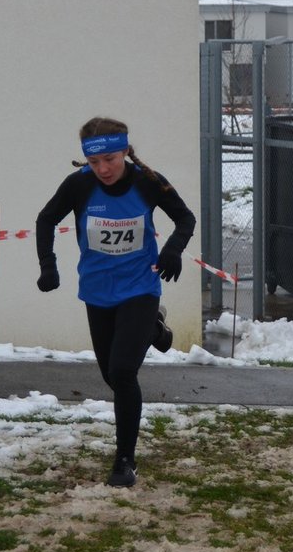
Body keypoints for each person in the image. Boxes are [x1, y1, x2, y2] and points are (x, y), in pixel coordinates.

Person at [36, 117, 196, 487]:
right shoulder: (79, 185)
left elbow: (185, 218)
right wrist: (48, 265)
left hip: (140, 288)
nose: (103, 169)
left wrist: (173, 249)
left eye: (109, 159)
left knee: (123, 372)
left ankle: (125, 460)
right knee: (112, 375)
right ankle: (154, 328)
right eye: (94, 162)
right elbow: (46, 220)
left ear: (124, 151)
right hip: (97, 291)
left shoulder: (147, 182)